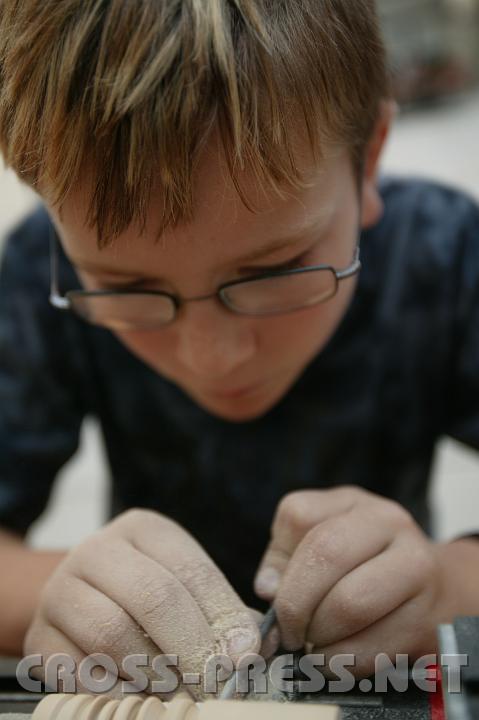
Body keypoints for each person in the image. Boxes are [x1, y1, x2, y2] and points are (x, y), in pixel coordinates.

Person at [0, 0, 478, 697]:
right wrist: (52, 596)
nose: (212, 357)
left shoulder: (445, 255)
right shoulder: (36, 274)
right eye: (125, 287)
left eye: (274, 271)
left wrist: (449, 585)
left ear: (369, 158)